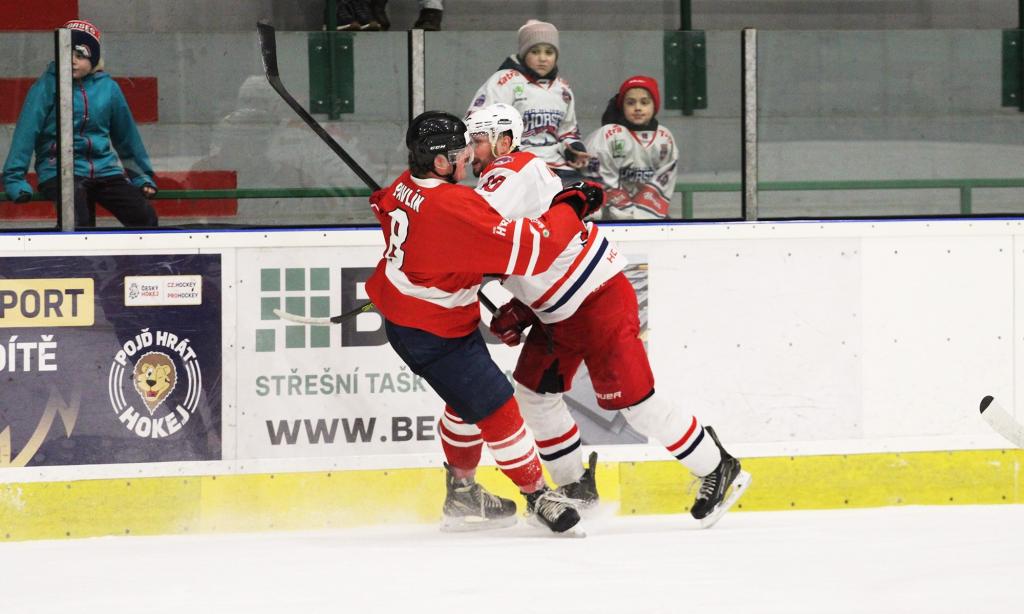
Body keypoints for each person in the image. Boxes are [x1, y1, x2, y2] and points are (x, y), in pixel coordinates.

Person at [464, 103, 751, 527]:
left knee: (636, 403)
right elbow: (530, 250)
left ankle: (717, 466)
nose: (469, 150)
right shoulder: (510, 176)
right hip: (559, 313)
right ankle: (575, 485)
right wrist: (524, 306)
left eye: (477, 140)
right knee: (535, 393)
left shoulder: (509, 170)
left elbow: (472, 230)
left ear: (504, 141)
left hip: (597, 300)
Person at [365, 110, 604, 533]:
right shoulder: (452, 205)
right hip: (433, 332)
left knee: (464, 405)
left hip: (423, 318)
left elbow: (382, 203)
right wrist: (572, 204)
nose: (469, 158)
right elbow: (536, 250)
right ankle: (537, 495)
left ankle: (462, 495)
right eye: (461, 152)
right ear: (441, 162)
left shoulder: (404, 185)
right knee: (499, 409)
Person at [2, 19, 158, 229]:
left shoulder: (109, 88)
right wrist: (14, 180)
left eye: (80, 55)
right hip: (59, 171)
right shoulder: (46, 86)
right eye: (67, 54)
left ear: (94, 59)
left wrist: (141, 177)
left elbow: (126, 137)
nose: (72, 61)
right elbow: (25, 134)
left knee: (144, 217)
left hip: (104, 170)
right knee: (77, 221)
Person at [466, 19, 589, 184]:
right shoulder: (505, 80)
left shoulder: (563, 89)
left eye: (549, 52)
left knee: (587, 193)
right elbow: (475, 120)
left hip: (557, 167)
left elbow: (568, 131)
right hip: (516, 164)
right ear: (524, 54)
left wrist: (573, 149)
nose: (543, 58)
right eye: (535, 52)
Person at [583, 75, 677, 220]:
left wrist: (640, 216)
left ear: (654, 106)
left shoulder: (664, 137)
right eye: (631, 103)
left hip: (649, 216)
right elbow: (601, 178)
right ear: (622, 106)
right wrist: (628, 214)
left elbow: (663, 180)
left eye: (644, 102)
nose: (638, 108)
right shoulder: (608, 134)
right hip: (607, 214)